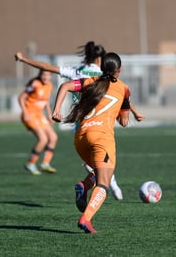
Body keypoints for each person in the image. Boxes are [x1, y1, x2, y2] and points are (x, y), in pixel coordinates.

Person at [15, 41, 145, 199]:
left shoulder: (76, 71)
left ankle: (92, 187)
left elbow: (47, 67)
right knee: (106, 159)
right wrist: (135, 112)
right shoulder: (104, 75)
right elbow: (119, 95)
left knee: (94, 161)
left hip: (80, 126)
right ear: (100, 59)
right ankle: (109, 185)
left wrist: (24, 60)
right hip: (101, 123)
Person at [52, 52, 130, 233]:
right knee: (104, 183)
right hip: (101, 138)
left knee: (100, 171)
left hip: (81, 137)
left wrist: (56, 111)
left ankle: (84, 185)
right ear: (119, 70)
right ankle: (86, 219)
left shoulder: (90, 81)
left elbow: (65, 86)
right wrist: (119, 111)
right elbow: (124, 122)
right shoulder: (124, 89)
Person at [18, 69, 58, 175]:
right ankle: (30, 163)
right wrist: (25, 112)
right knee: (43, 139)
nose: (46, 77)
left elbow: (46, 101)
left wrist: (49, 115)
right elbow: (21, 98)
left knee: (53, 137)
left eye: (48, 75)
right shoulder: (35, 84)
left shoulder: (49, 85)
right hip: (30, 114)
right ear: (40, 75)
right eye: (44, 74)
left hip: (39, 115)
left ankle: (45, 163)